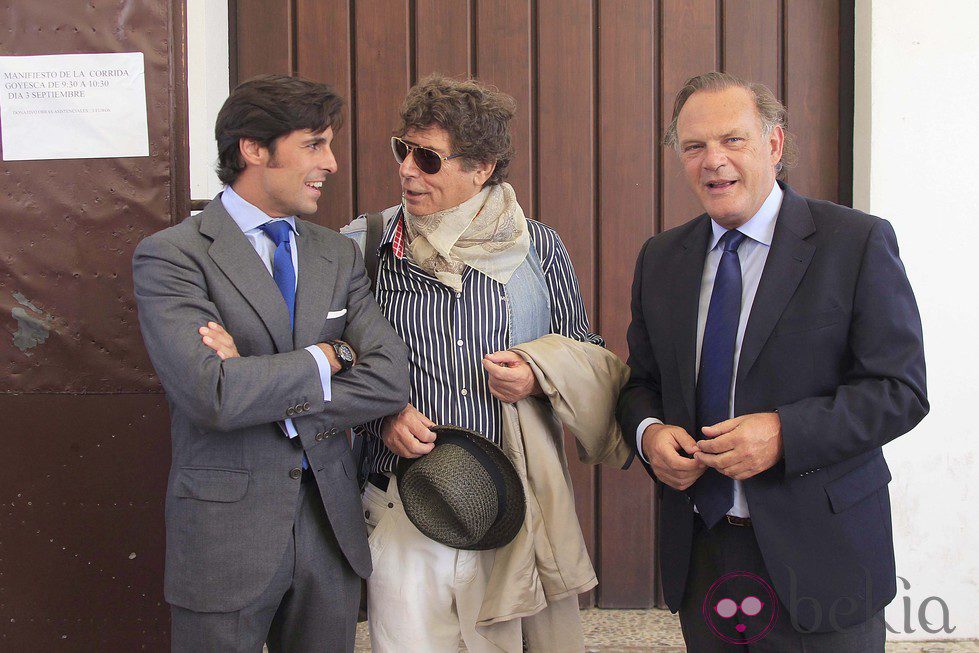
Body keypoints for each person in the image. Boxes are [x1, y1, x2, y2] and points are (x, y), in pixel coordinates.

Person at [616, 72, 928, 651]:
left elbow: (899, 390)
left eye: (733, 140)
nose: (713, 161)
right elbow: (642, 383)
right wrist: (649, 432)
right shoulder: (661, 259)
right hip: (705, 551)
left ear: (774, 145)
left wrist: (785, 433)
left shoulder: (855, 243)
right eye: (694, 146)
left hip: (822, 552)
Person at [133, 74, 409, 652]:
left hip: (328, 530)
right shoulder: (173, 255)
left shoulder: (334, 251)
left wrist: (260, 381)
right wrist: (330, 355)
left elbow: (388, 378)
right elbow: (212, 395)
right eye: (314, 144)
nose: (331, 163)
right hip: (224, 538)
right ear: (253, 149)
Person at [342, 74, 606, 652]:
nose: (407, 169)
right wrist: (378, 417)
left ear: (482, 167)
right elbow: (333, 366)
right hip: (402, 501)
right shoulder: (367, 244)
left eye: (429, 158)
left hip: (509, 502)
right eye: (401, 150)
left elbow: (588, 351)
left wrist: (540, 373)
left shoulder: (538, 247)